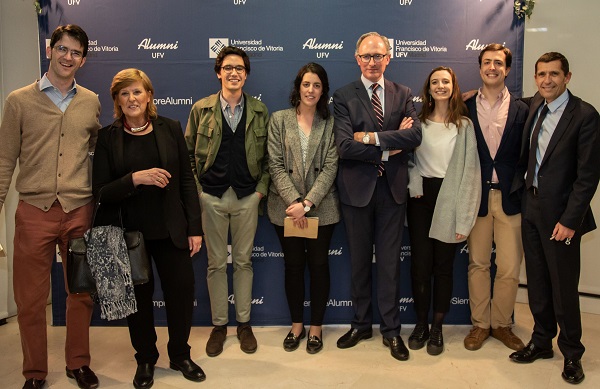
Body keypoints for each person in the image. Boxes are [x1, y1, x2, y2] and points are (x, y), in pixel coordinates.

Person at [0, 25, 101, 389]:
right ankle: (35, 372)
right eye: (62, 49)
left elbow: (94, 152)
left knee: (81, 294)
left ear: (83, 60)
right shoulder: (19, 100)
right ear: (50, 50)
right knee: (29, 301)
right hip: (33, 212)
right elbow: (4, 161)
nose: (67, 57)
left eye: (75, 52)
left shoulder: (91, 100)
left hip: (78, 211)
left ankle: (78, 364)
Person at [92, 68, 205, 387]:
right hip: (128, 235)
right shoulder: (107, 137)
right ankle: (145, 359)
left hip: (171, 229)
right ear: (116, 100)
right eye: (124, 93)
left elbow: (186, 181)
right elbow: (99, 190)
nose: (131, 98)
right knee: (138, 302)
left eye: (137, 92)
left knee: (181, 294)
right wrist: (135, 179)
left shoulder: (170, 128)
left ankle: (181, 354)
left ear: (149, 95)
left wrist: (195, 227)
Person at [508, 52, 600, 385]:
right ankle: (542, 341)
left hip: (562, 218)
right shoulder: (535, 105)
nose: (547, 80)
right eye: (542, 74)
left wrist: (571, 220)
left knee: (563, 287)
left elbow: (588, 176)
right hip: (531, 209)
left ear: (567, 77)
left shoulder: (585, 115)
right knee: (537, 283)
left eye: (554, 74)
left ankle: (572, 353)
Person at [333, 31, 422, 362]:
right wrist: (388, 150)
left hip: (392, 192)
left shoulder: (404, 93)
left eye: (378, 55)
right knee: (358, 263)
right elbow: (344, 146)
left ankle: (391, 330)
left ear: (389, 58)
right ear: (357, 59)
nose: (372, 62)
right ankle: (360, 324)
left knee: (389, 265)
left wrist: (370, 137)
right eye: (366, 56)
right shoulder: (343, 96)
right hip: (356, 192)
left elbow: (414, 135)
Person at [185, 46, 269, 357]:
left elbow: (270, 158)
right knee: (216, 264)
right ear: (219, 72)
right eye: (228, 67)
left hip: (248, 197)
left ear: (246, 74)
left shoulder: (260, 110)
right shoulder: (201, 109)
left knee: (244, 262)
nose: (234, 73)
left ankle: (244, 324)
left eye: (240, 68)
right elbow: (188, 156)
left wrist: (260, 191)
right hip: (212, 197)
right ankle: (219, 326)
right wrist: (199, 193)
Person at [406, 66, 481, 356]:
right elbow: (409, 162)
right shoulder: (417, 123)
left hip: (450, 197)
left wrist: (464, 216)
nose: (440, 86)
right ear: (428, 88)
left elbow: (470, 173)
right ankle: (421, 324)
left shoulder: (464, 125)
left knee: (443, 268)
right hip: (421, 198)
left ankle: (437, 326)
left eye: (445, 82)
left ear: (453, 86)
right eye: (434, 81)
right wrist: (414, 185)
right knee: (420, 267)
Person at [267, 63, 340, 354]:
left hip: (322, 208)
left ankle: (316, 327)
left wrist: (308, 203)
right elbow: (274, 163)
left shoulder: (331, 122)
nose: (311, 90)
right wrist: (294, 203)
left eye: (317, 85)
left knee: (319, 265)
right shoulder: (279, 119)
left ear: (324, 91)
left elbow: (332, 165)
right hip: (285, 209)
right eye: (306, 84)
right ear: (298, 86)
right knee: (293, 266)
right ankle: (296, 325)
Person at [463, 44, 529, 352]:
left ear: (507, 69)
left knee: (509, 267)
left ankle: (502, 324)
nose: (492, 67)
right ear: (479, 68)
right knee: (477, 263)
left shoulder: (522, 109)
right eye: (487, 62)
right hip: (477, 197)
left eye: (498, 63)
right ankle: (480, 324)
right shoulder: (463, 106)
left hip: (510, 199)